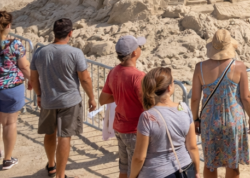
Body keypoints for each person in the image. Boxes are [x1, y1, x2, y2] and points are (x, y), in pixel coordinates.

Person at [30, 18, 97, 178]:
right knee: (64, 136)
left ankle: (51, 165)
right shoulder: (75, 53)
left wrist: (39, 95)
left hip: (48, 100)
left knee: (50, 133)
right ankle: (60, 175)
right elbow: (85, 78)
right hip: (69, 101)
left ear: (54, 32)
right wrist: (92, 98)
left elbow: (33, 78)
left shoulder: (39, 52)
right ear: (70, 33)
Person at [191, 29, 250, 178]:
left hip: (209, 120)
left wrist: (195, 119)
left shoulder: (199, 67)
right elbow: (246, 97)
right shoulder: (239, 66)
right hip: (233, 120)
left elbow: (195, 98)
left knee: (210, 164)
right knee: (233, 164)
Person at [130, 67, 201, 178]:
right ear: (169, 88)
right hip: (185, 168)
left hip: (156, 172)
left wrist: (132, 176)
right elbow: (192, 147)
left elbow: (139, 157)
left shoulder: (147, 117)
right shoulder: (184, 109)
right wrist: (196, 170)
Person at [100, 36, 147, 178]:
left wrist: (121, 94)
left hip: (119, 127)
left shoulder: (114, 71)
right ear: (134, 53)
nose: (140, 49)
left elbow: (103, 99)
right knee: (137, 170)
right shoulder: (138, 77)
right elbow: (148, 105)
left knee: (123, 168)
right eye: (139, 46)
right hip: (134, 130)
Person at [0, 11, 30, 170]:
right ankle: (7, 159)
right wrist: (31, 79)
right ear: (8, 26)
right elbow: (24, 66)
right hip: (12, 87)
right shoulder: (14, 44)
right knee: (9, 123)